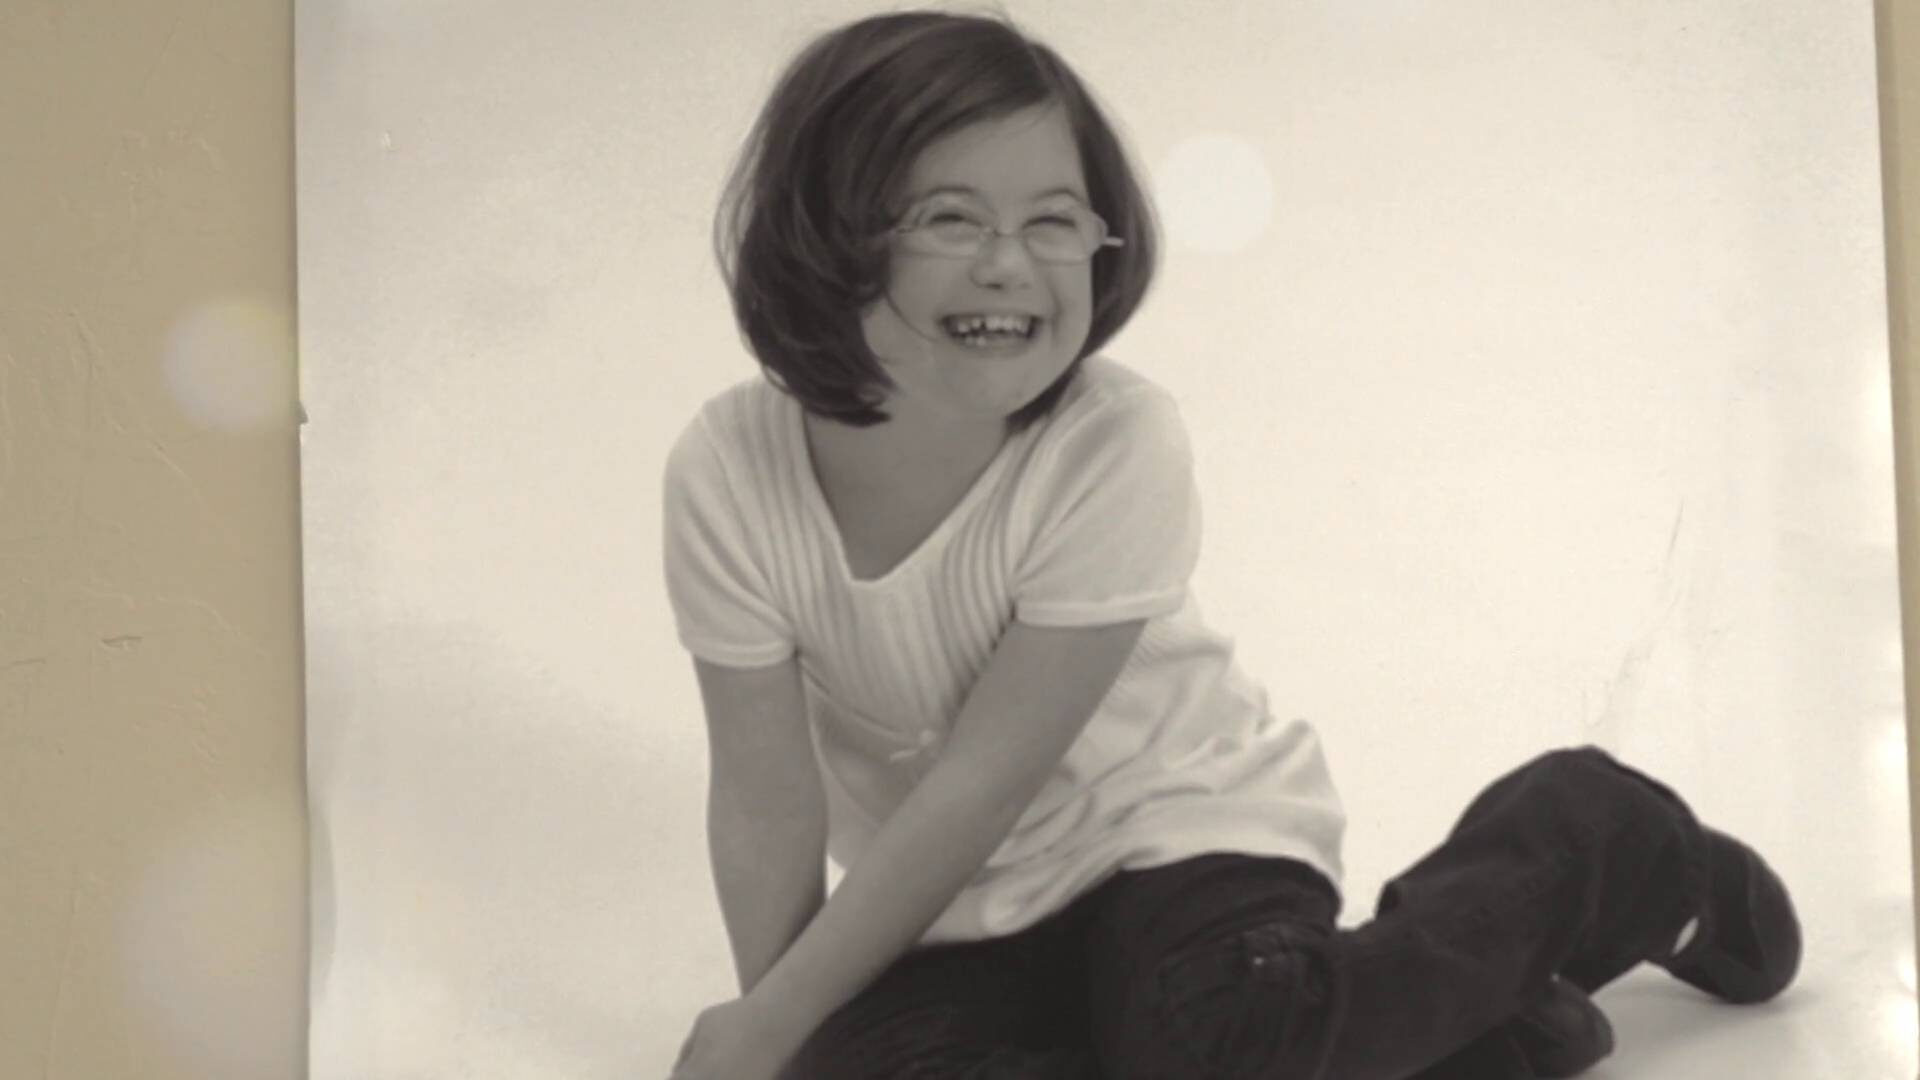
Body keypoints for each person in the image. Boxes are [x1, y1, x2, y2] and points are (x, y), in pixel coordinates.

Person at [661, 9, 1802, 1079]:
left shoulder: (1113, 444)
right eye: (950, 218)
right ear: (825, 238)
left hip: (1175, 839)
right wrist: (790, 1029)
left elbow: (980, 785)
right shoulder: (730, 471)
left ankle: (1600, 840)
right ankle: (1475, 1029)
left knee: (1215, 1040)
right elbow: (766, 801)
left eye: (1054, 221)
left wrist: (771, 1028)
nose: (1010, 264)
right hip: (965, 911)